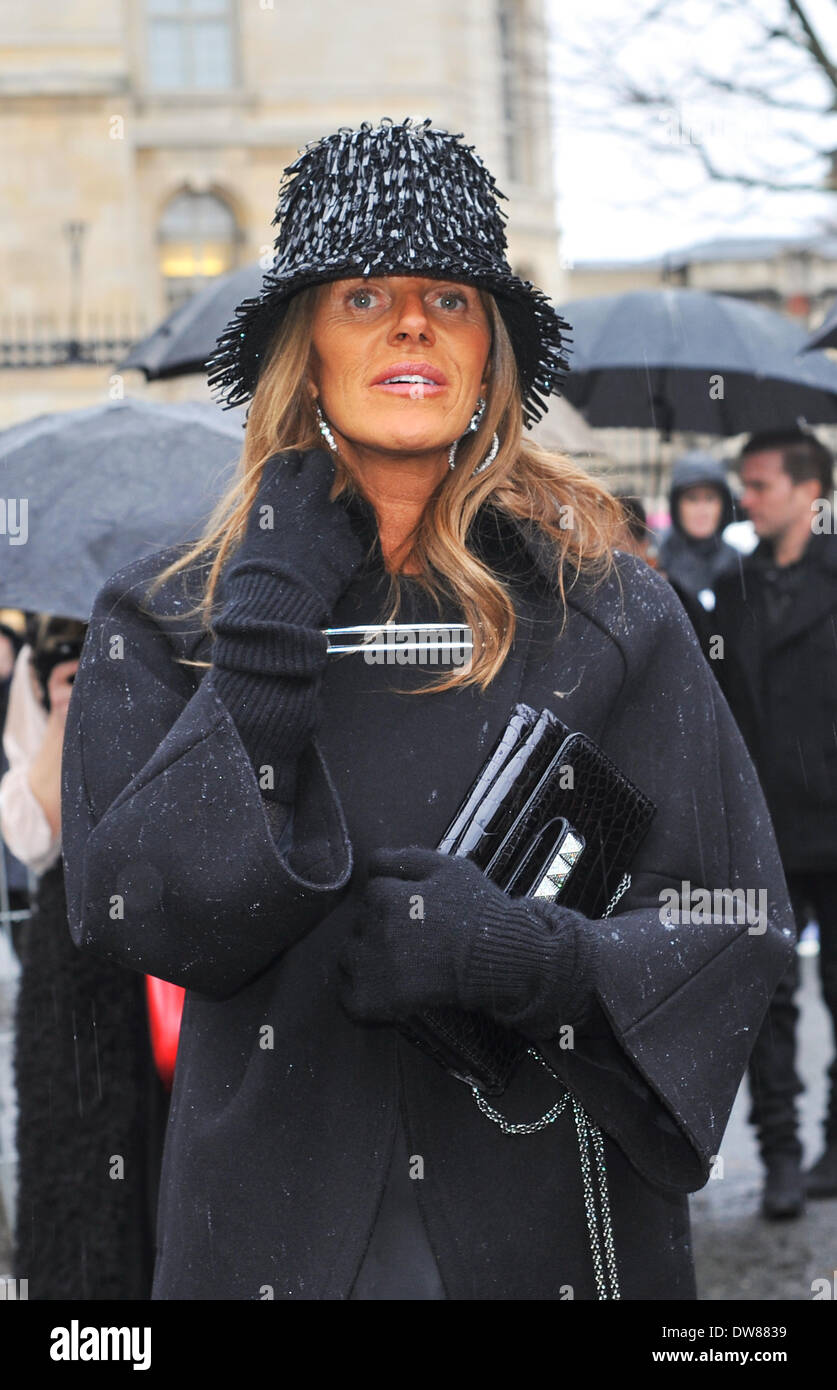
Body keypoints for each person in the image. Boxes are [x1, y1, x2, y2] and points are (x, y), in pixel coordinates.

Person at [60, 117, 795, 1301]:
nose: (412, 321)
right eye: (364, 294)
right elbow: (138, 911)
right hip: (267, 1231)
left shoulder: (609, 609)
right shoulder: (167, 613)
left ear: (490, 352)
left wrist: (524, 959)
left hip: (548, 1220)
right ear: (306, 343)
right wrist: (266, 622)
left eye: (451, 297)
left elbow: (736, 921)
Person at [0, 621, 168, 1298]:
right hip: (71, 947)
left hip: (161, 930)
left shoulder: (168, 635)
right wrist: (69, 706)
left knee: (162, 1143)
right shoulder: (45, 672)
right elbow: (31, 835)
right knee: (75, 1142)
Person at [708, 427, 837, 1217]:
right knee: (766, 1002)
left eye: (758, 486)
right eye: (742, 486)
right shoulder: (736, 581)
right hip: (764, 834)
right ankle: (781, 1154)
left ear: (807, 491)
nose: (744, 500)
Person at [657, 451, 740, 605]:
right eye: (692, 499)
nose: (702, 511)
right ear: (676, 506)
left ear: (724, 505)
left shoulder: (738, 564)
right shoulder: (658, 561)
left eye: (710, 498)